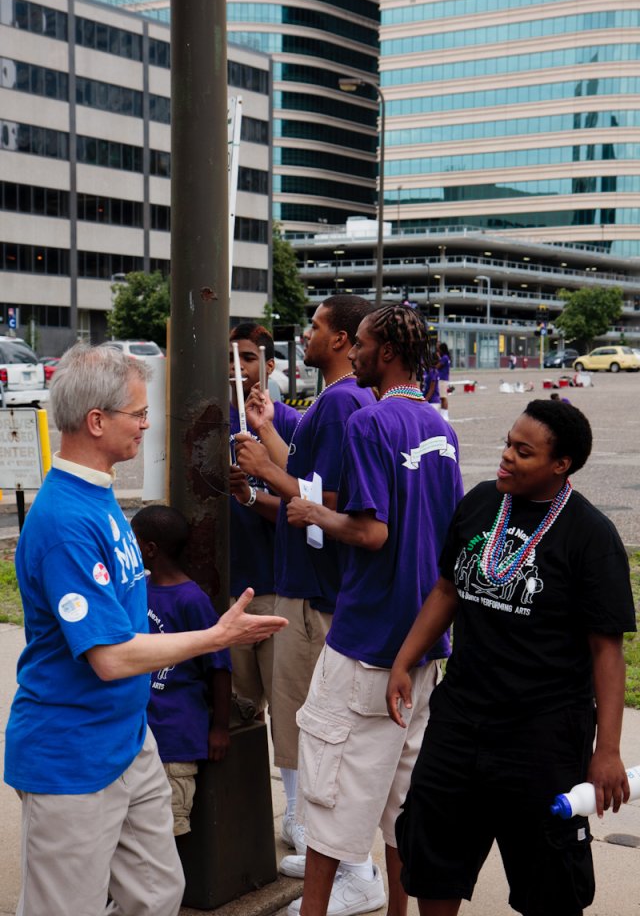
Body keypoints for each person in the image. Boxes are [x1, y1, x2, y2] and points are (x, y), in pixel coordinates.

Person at [3, 342, 287, 916]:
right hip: (72, 753)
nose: (146, 423)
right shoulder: (66, 521)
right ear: (97, 421)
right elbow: (108, 657)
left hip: (129, 738)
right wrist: (216, 637)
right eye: (137, 413)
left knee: (158, 891)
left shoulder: (100, 493)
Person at [387, 399, 636, 916]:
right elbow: (447, 590)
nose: (505, 457)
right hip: (460, 717)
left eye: (523, 452)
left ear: (559, 464)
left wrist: (606, 749)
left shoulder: (591, 536)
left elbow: (606, 651)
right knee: (434, 853)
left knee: (549, 875)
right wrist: (404, 661)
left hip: (542, 733)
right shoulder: (480, 503)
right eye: (506, 443)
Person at [283, 305, 464, 916]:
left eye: (359, 344)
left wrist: (313, 514)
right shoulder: (441, 427)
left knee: (331, 798)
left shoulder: (370, 423)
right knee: (401, 802)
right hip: (424, 644)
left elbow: (371, 533)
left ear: (384, 352)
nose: (352, 353)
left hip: (367, 641)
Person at [234, 295, 375, 858]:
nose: (308, 335)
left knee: (313, 724)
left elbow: (338, 498)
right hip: (307, 583)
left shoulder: (342, 404)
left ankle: (331, 847)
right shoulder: (331, 400)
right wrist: (269, 434)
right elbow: (306, 473)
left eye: (316, 327)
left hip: (317, 590)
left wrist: (266, 471)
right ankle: (315, 835)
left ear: (339, 339)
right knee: (304, 721)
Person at [132, 504, 232, 838]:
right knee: (138, 826)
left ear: (150, 549)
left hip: (177, 740)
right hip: (140, 735)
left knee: (169, 828)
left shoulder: (191, 600)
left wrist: (219, 727)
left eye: (134, 541)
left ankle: (170, 890)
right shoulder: (139, 591)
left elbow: (218, 666)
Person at [228, 323, 299, 719]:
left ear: (270, 366)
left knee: (286, 717)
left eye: (248, 358)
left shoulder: (288, 424)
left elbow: (302, 505)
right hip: (229, 588)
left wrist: (252, 494)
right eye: (231, 356)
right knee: (240, 711)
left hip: (277, 587)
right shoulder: (210, 421)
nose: (237, 366)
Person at [436, 342, 451, 421]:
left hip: (443, 379)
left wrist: (438, 358)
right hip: (444, 379)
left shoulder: (444, 357)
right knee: (443, 397)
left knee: (443, 397)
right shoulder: (446, 357)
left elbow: (438, 366)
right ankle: (443, 414)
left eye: (439, 349)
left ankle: (445, 414)